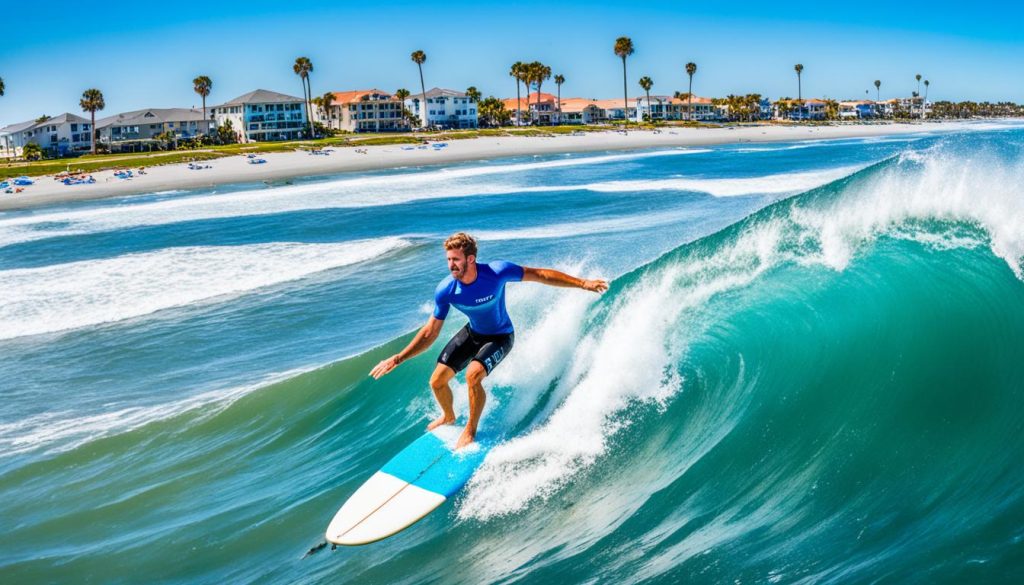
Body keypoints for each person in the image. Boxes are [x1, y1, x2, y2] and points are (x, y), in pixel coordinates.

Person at [370, 232, 608, 449]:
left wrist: (582, 283)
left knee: (472, 376)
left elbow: (540, 274)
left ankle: (470, 431)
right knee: (437, 382)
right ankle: (449, 416)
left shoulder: (496, 273)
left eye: (455, 259)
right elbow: (430, 332)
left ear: (470, 259)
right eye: (448, 260)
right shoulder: (446, 290)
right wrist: (398, 358)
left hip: (501, 336)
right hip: (473, 333)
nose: (451, 265)